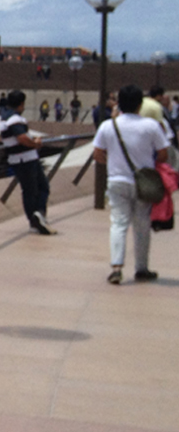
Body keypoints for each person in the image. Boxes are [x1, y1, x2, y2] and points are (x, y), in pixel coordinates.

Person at [92, 84, 169, 284]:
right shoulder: (150, 126)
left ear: (120, 103)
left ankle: (116, 267)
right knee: (142, 225)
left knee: (118, 223)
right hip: (144, 182)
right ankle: (141, 268)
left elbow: (97, 154)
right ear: (140, 104)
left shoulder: (108, 125)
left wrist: (113, 163)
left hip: (116, 180)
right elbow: (163, 154)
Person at [0, 90, 55, 235]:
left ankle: (36, 219)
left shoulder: (4, 117)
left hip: (18, 159)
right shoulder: (14, 119)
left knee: (30, 190)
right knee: (40, 188)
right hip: (26, 159)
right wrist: (35, 143)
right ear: (21, 104)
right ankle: (38, 216)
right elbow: (21, 138)